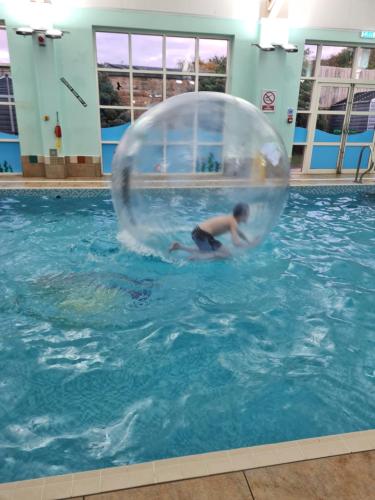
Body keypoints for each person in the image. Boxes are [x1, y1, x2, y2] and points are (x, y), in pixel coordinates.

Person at [169, 202, 257, 260]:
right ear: (243, 214)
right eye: (248, 213)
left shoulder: (231, 219)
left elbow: (239, 233)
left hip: (199, 233)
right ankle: (195, 258)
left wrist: (249, 241)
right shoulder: (233, 221)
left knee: (210, 249)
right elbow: (236, 243)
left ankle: (179, 247)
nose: (249, 215)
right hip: (202, 234)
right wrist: (249, 245)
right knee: (225, 254)